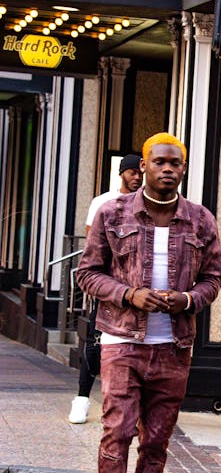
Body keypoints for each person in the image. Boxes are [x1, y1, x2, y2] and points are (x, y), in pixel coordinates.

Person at [76, 132, 221, 473]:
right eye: (159, 162)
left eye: (175, 163)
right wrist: (128, 295)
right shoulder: (112, 212)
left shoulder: (200, 221)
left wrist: (188, 301)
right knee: (116, 434)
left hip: (174, 348)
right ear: (143, 166)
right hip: (122, 341)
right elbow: (87, 273)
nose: (167, 169)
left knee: (156, 444)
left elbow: (213, 279)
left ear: (183, 168)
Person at [68, 154, 143, 424]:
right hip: (107, 285)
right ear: (122, 173)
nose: (136, 177)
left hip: (136, 288)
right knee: (93, 340)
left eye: (139, 172)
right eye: (132, 172)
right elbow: (93, 244)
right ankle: (82, 399)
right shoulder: (103, 202)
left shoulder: (147, 203)